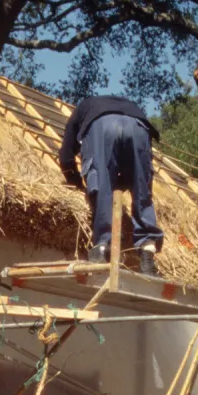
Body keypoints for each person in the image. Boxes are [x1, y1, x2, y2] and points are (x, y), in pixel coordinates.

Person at [58, 96, 163, 276]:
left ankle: (102, 246)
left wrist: (76, 182)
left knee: (102, 185)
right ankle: (147, 254)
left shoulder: (82, 110)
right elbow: (130, 173)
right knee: (142, 190)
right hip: (139, 127)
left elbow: (66, 157)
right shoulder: (131, 105)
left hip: (101, 126)